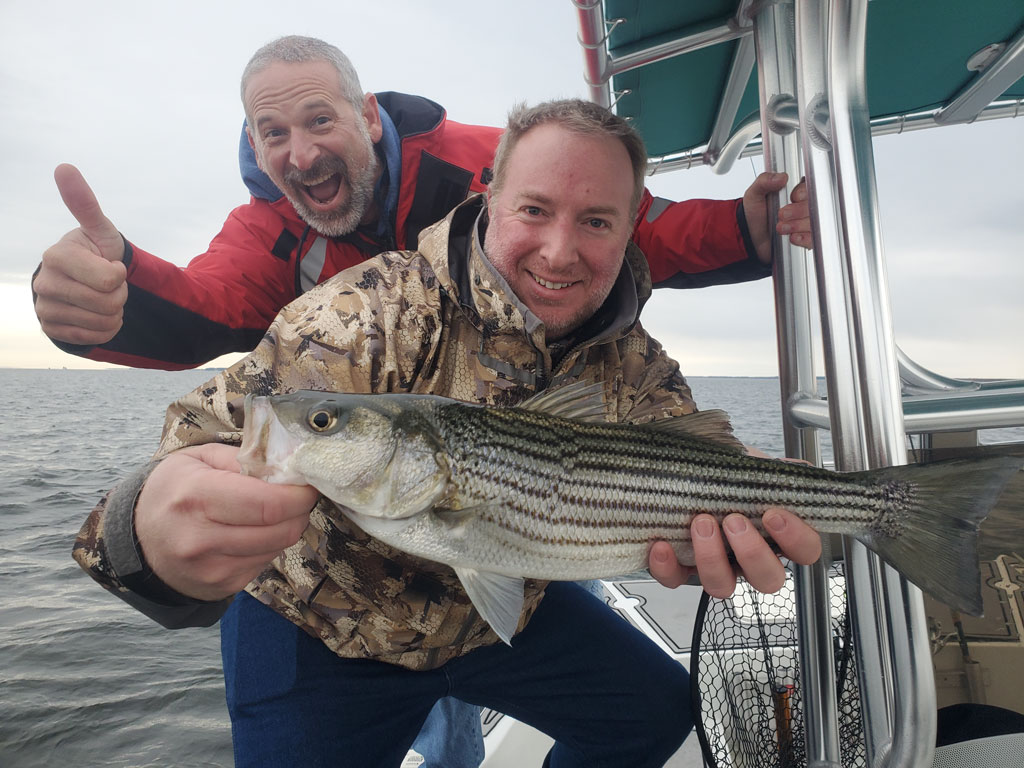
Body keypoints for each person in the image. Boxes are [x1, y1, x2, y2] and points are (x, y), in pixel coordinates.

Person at [72, 96, 823, 768]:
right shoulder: (364, 314)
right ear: (489, 197)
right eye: (534, 209)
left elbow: (693, 465)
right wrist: (151, 535)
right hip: (323, 626)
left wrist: (716, 530)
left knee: (656, 712)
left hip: (501, 617)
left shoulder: (637, 367)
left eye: (595, 221)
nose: (559, 251)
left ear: (631, 228)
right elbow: (195, 442)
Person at [31, 36, 811, 371]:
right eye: (272, 133)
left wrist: (746, 228)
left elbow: (618, 225)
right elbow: (211, 307)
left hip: (515, 458)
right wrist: (114, 294)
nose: (299, 154)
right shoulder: (267, 227)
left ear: (368, 117)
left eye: (318, 120)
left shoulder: (480, 162)